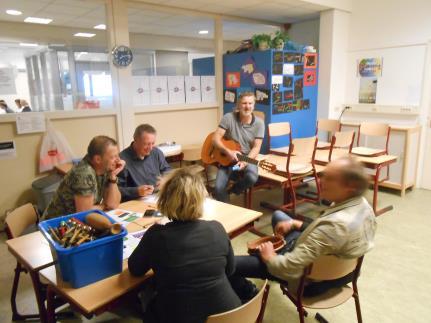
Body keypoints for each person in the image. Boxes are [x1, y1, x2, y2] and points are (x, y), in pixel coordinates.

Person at [231, 157, 377, 299]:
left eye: (330, 178)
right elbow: (326, 233)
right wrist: (295, 224)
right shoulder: (362, 205)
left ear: (349, 187)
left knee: (228, 264)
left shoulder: (333, 228)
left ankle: (249, 292)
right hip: (345, 272)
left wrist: (269, 256)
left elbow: (288, 267)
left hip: (307, 282)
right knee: (279, 216)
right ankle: (284, 247)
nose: (321, 180)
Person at [128, 167, 241, 323]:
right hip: (232, 316)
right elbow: (230, 270)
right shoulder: (217, 228)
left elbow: (135, 269)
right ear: (201, 200)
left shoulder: (156, 235)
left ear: (164, 200)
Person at [43, 135, 124, 219]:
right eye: (113, 157)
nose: (118, 160)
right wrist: (103, 206)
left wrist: (113, 177)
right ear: (98, 159)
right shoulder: (84, 173)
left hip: (76, 221)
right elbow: (84, 212)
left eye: (117, 155)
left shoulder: (105, 167)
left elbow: (112, 205)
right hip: (57, 225)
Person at [212, 92, 265, 202]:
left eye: (250, 103)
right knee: (218, 189)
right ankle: (227, 212)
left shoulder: (260, 123)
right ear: (238, 105)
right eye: (244, 103)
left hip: (247, 157)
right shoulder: (228, 118)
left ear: (254, 105)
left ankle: (233, 189)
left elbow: (256, 147)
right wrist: (228, 151)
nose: (247, 106)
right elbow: (215, 139)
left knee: (251, 177)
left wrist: (245, 162)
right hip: (229, 158)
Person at [118, 124, 171, 201]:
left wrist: (165, 179)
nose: (150, 148)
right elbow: (116, 190)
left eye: (153, 143)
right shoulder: (122, 159)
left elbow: (168, 172)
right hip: (135, 202)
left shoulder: (156, 153)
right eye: (146, 144)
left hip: (157, 198)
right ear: (135, 140)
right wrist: (136, 191)